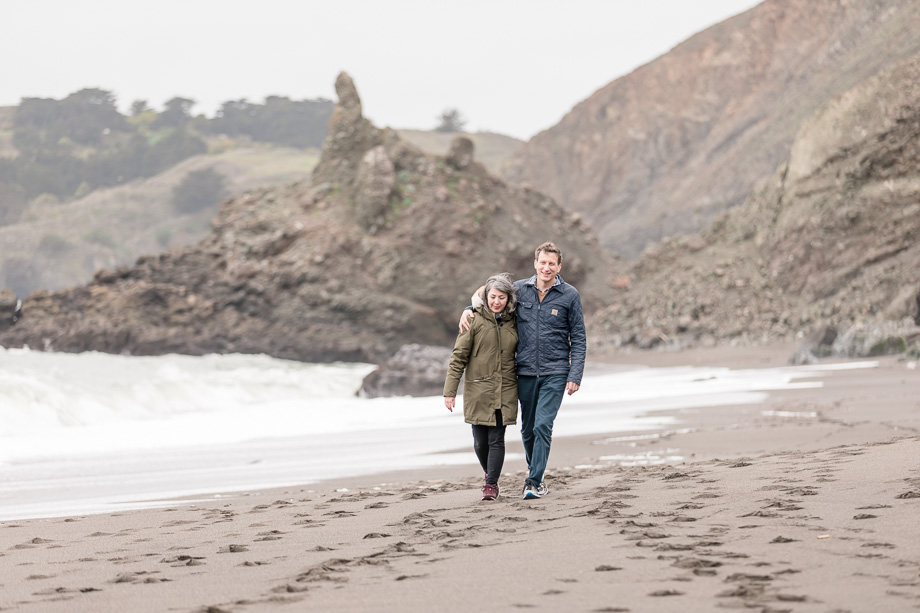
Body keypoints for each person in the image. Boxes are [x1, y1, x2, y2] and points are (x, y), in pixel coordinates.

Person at [461, 242, 585, 500]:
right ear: (535, 264)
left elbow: (579, 338)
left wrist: (575, 375)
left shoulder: (570, 295)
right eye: (543, 262)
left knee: (542, 426)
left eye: (552, 263)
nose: (547, 267)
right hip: (525, 372)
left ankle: (534, 481)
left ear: (559, 267)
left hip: (556, 371)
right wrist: (469, 308)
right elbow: (487, 294)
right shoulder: (519, 290)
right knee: (527, 429)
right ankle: (534, 470)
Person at [444, 273, 519, 501]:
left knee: (497, 439)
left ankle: (491, 484)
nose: (497, 302)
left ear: (509, 299)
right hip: (477, 390)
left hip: (505, 388)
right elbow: (458, 357)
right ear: (486, 297)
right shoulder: (472, 320)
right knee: (479, 442)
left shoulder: (515, 321)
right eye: (493, 296)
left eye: (502, 298)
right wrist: (449, 391)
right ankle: (490, 472)